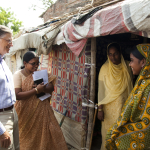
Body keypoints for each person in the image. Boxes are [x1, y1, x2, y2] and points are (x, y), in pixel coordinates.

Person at [13, 51, 68, 150]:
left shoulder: (41, 73)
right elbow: (17, 95)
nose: (36, 65)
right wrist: (36, 90)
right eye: (33, 63)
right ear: (25, 63)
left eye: (38, 63)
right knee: (28, 138)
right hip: (26, 113)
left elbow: (51, 87)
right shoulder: (18, 75)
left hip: (43, 109)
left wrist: (43, 88)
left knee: (49, 133)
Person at [106, 44, 150, 150]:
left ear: (143, 62)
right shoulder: (142, 82)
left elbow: (146, 121)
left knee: (116, 136)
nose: (130, 64)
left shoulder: (147, 86)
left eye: (132, 60)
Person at [97, 42, 133, 150]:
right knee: (108, 134)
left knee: (121, 134)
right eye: (110, 54)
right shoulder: (104, 68)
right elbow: (101, 90)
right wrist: (100, 109)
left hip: (124, 107)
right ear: (107, 55)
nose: (113, 57)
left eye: (116, 53)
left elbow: (131, 86)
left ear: (120, 53)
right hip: (109, 109)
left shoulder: (127, 66)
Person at [0, 25, 20, 150]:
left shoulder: (3, 62)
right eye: (8, 40)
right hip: (2, 118)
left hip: (12, 112)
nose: (11, 44)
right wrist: (1, 130)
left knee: (16, 147)